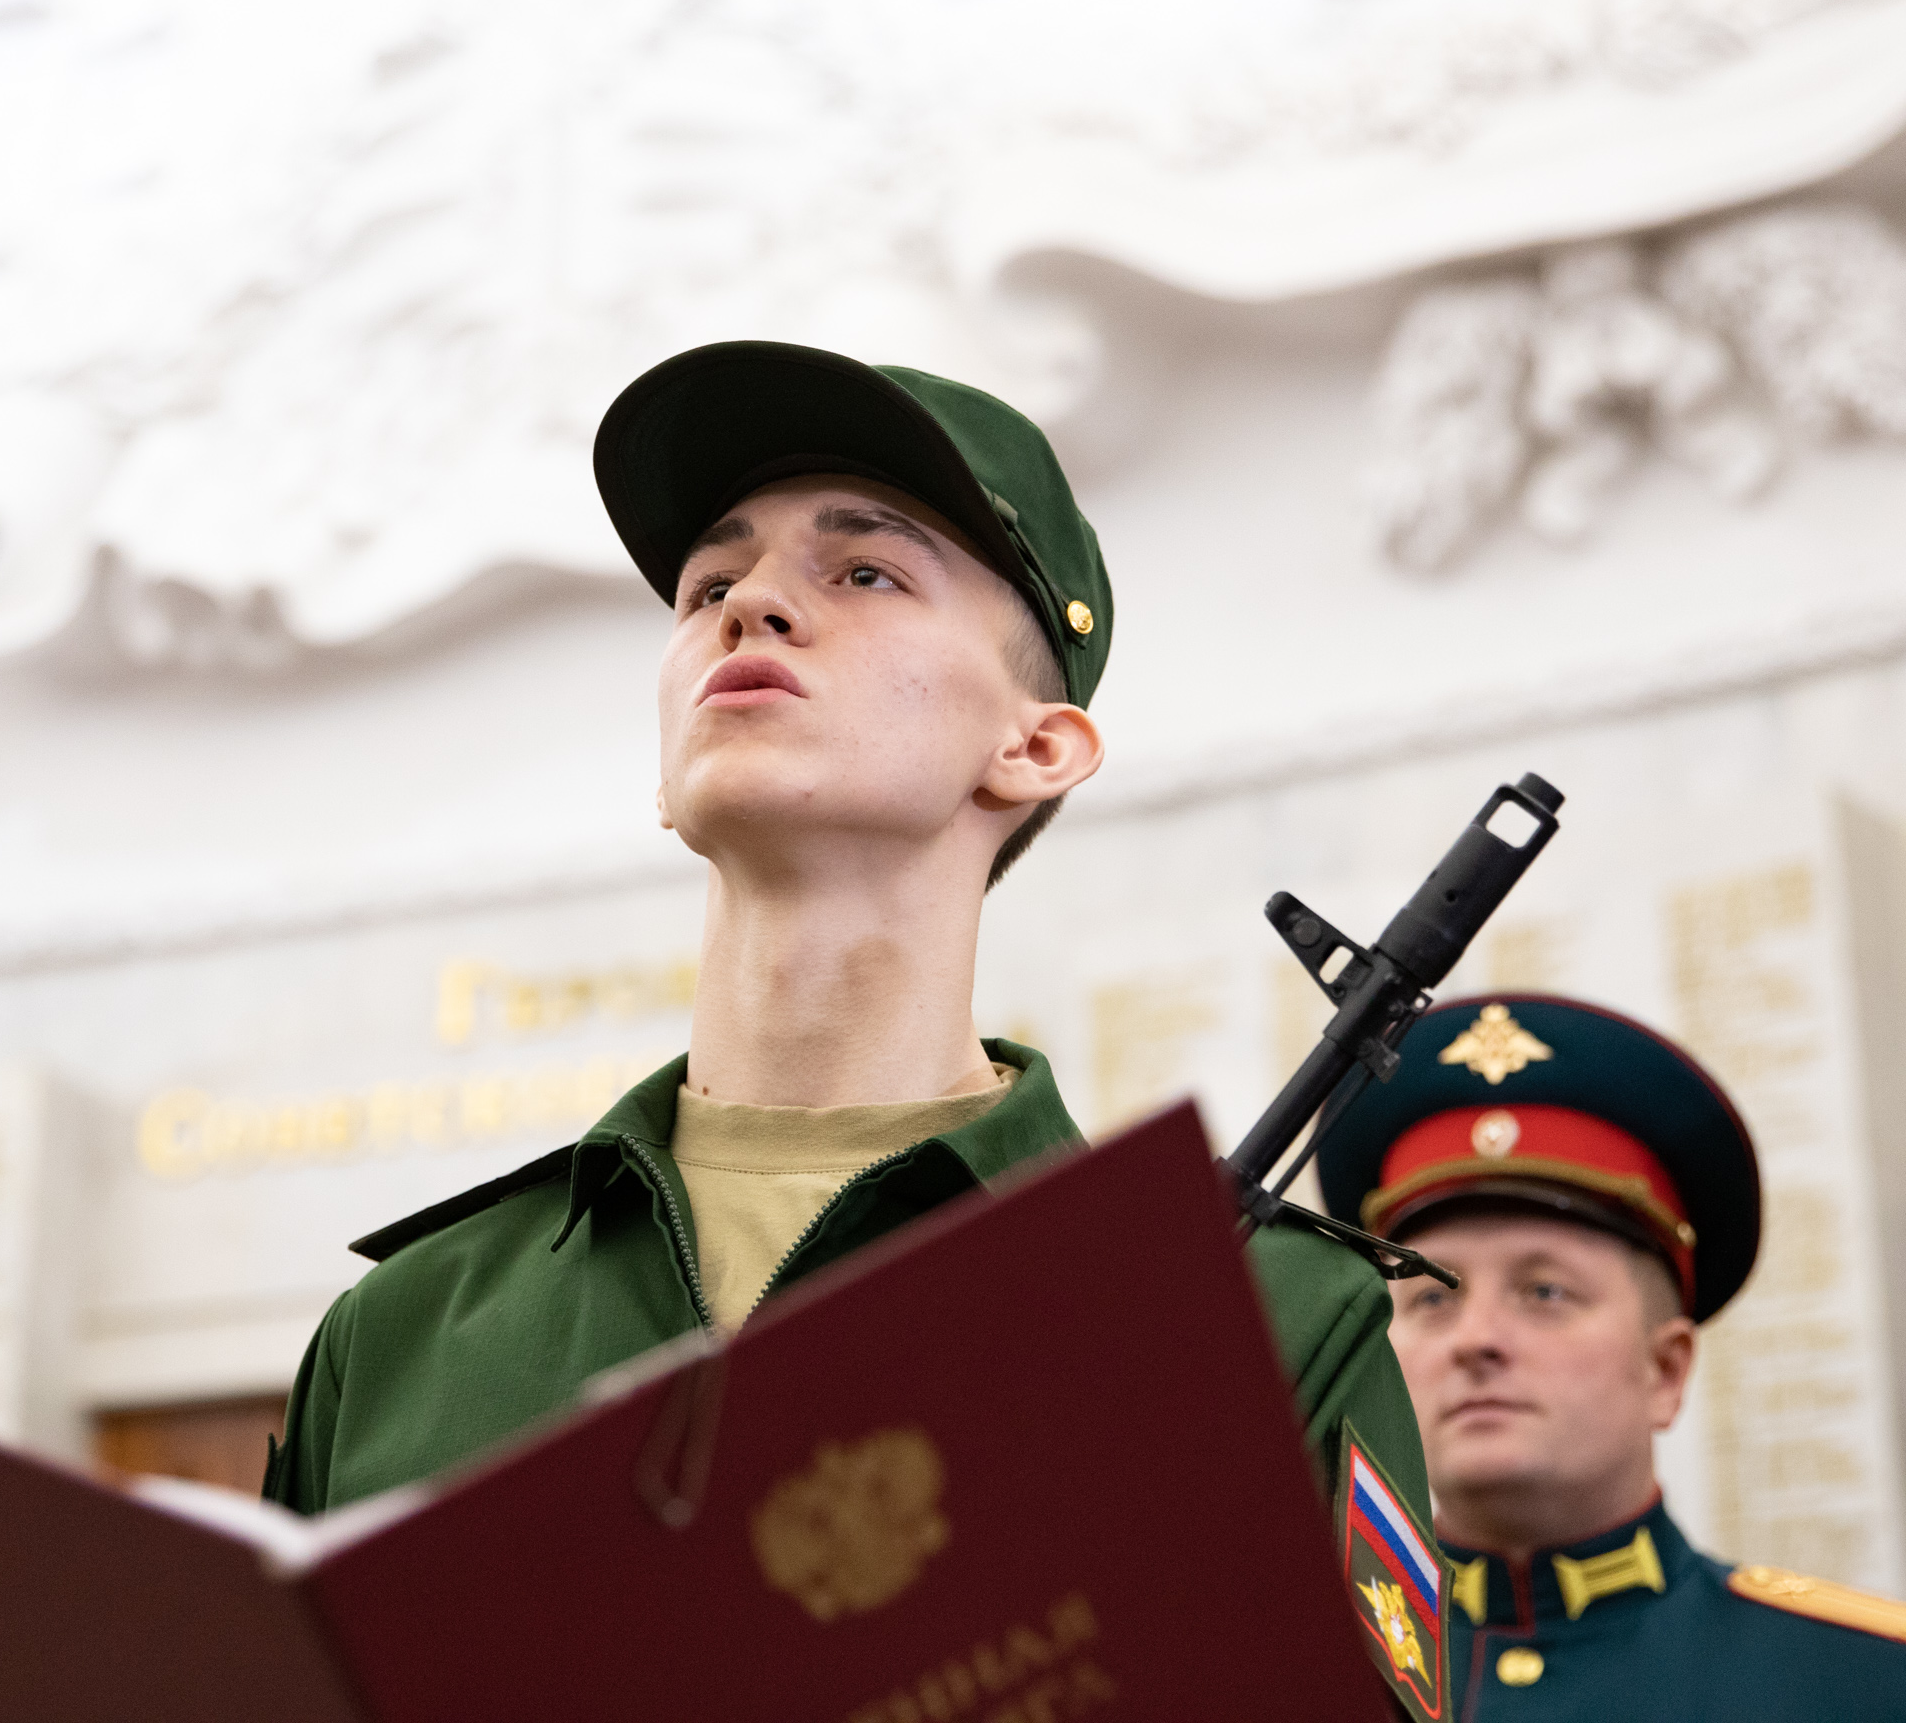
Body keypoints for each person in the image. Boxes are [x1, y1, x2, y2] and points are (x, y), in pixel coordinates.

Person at [265, 340, 1437, 1680]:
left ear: (1036, 745)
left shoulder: (1250, 1315)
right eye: (712, 581)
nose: (751, 604)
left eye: (864, 570)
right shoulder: (408, 1336)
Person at [1316, 992, 1906, 1721]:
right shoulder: (1279, 1685)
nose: (1476, 1339)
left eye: (1544, 1292)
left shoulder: (1898, 1692)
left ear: (1667, 1370)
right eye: (1434, 1299)